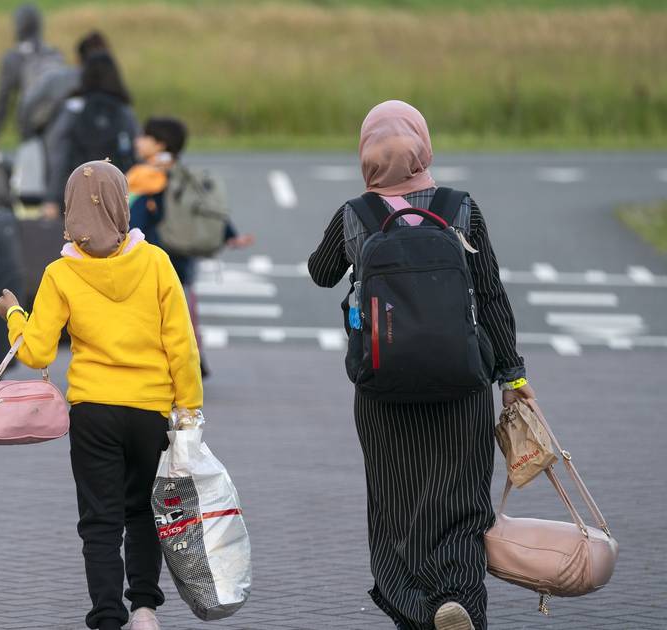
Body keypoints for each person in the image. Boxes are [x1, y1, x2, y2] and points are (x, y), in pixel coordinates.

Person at [306, 100, 535, 630]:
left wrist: (355, 231)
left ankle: (414, 608)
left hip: (382, 386)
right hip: (463, 383)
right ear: (423, 147)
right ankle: (453, 597)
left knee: (395, 502)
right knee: (460, 496)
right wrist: (514, 376)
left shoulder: (356, 215)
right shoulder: (460, 208)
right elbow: (492, 295)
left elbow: (320, 273)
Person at [0, 160, 202, 630]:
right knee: (145, 511)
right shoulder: (155, 263)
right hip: (150, 410)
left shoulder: (61, 274)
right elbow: (181, 344)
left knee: (100, 520)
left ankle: (108, 614)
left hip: (92, 411)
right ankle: (145, 609)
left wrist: (13, 314)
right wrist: (188, 408)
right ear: (120, 203)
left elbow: (40, 351)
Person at [127, 117, 253, 378]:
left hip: (156, 255)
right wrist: (229, 234)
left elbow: (135, 218)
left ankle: (174, 364)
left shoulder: (148, 177)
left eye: (144, 136)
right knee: (183, 311)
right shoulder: (184, 176)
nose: (137, 140)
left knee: (157, 316)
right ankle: (193, 360)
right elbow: (203, 209)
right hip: (183, 257)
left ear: (159, 143)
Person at [43, 52, 138, 218]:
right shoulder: (123, 109)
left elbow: (59, 151)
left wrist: (51, 196)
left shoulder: (74, 107)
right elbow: (136, 148)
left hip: (77, 187)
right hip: (115, 190)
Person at [16, 30, 111, 141]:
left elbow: (27, 104)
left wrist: (29, 138)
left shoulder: (56, 79)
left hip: (55, 146)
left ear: (78, 59)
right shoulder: (113, 87)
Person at [0, 3, 64, 136]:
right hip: (61, 121)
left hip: (32, 126)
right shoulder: (54, 54)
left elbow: (3, 101)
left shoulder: (13, 58)